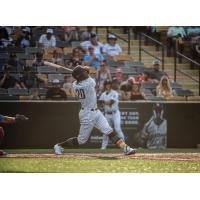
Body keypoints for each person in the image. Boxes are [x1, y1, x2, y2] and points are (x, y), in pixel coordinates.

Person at [53, 65, 136, 155]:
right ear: (80, 76)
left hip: (96, 112)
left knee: (108, 130)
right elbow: (89, 77)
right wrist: (86, 71)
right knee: (81, 140)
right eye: (83, 73)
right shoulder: (87, 83)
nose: (85, 72)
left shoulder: (75, 84)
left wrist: (83, 71)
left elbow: (84, 75)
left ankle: (125, 148)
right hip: (87, 114)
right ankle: (59, 145)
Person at [99, 80, 125, 149]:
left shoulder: (115, 93)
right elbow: (99, 103)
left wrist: (101, 101)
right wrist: (100, 102)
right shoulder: (103, 94)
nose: (108, 85)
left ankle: (124, 146)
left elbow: (110, 102)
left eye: (109, 84)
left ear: (111, 85)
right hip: (107, 114)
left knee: (117, 129)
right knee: (106, 131)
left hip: (115, 113)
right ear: (105, 85)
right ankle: (103, 148)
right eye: (107, 84)